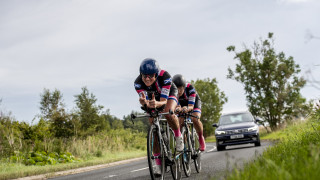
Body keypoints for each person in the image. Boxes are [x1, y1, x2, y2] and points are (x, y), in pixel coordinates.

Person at [134, 58, 184, 175]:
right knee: (153, 125)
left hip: (169, 94)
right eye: (144, 76)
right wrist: (144, 103)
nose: (147, 79)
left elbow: (163, 101)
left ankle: (178, 136)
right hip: (153, 97)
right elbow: (144, 100)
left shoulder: (165, 76)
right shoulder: (137, 83)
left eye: (150, 76)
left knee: (168, 112)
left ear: (156, 74)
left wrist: (157, 104)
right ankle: (157, 165)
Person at [172, 74, 206, 151]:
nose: (179, 91)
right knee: (179, 123)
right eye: (177, 89)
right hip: (182, 104)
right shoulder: (172, 91)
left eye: (180, 89)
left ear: (184, 87)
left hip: (193, 103)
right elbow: (175, 106)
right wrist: (177, 109)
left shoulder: (190, 88)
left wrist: (186, 108)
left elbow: (191, 107)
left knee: (195, 119)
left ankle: (200, 138)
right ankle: (183, 146)